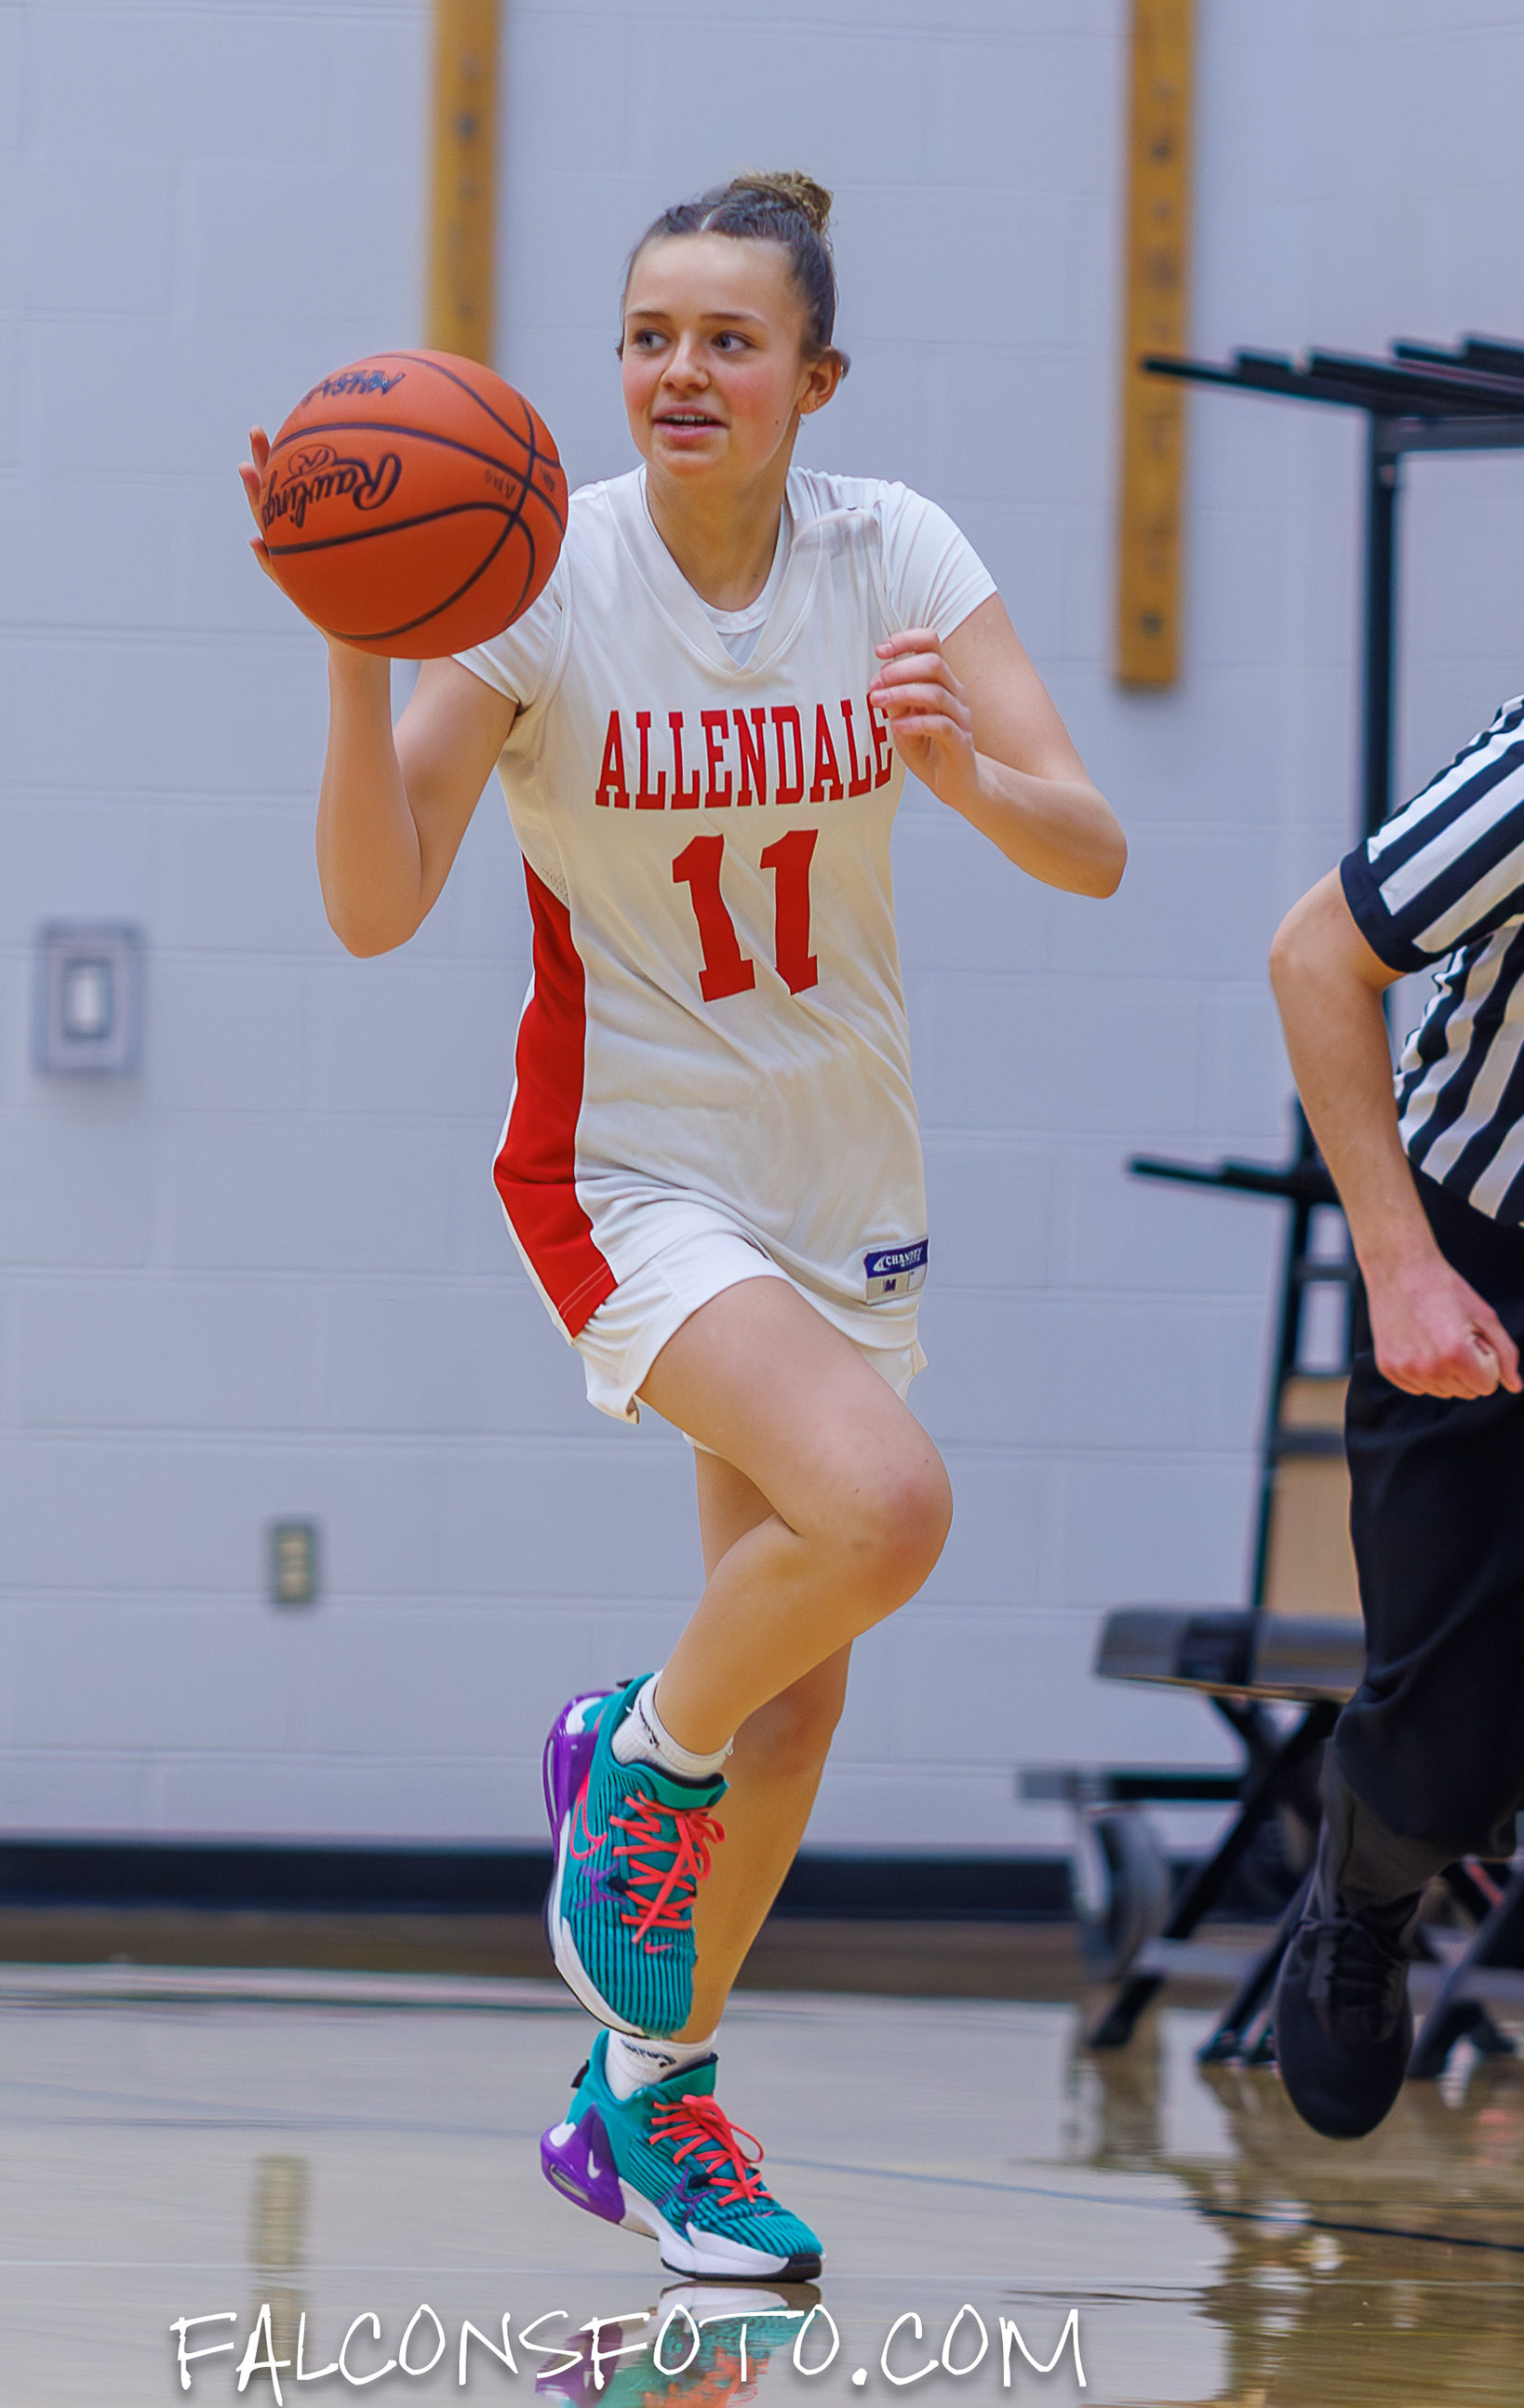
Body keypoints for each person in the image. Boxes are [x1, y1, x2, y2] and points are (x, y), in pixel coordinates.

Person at [243, 170, 1124, 2278]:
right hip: (631, 1166)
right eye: (650, 335)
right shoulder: (544, 576)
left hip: (842, 1176)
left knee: (799, 1695)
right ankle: (631, 1754)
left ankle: (649, 2101)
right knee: (887, 1510)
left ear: (818, 376)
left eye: (731, 339)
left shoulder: (896, 554)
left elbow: (1090, 843)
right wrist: (358, 661)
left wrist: (971, 784)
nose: (681, 371)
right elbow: (373, 908)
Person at [1269, 695, 1524, 2140]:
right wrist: (1399, 1264)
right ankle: (1365, 1892)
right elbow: (1315, 953)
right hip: (1478, 1245)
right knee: (1446, 1746)